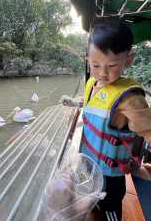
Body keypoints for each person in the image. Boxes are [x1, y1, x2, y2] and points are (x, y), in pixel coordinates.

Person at [62, 19, 151, 221]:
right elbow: (91, 104)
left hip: (110, 177)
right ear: (87, 60)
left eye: (112, 65)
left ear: (128, 60)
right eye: (95, 65)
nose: (103, 73)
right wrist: (74, 104)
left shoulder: (129, 98)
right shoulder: (93, 83)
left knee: (110, 211)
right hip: (89, 166)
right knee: (93, 204)